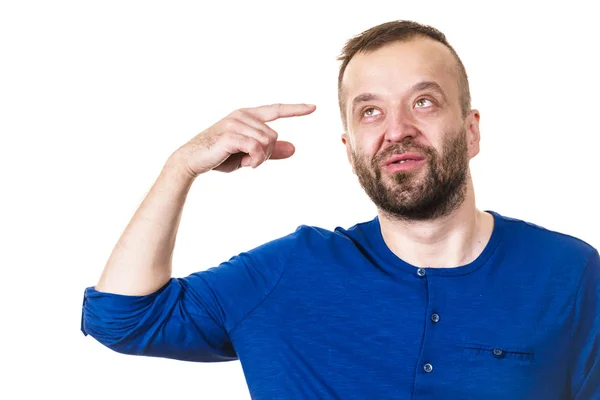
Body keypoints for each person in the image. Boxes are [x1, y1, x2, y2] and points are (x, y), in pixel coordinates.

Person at [81, 20, 599, 399]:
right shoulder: (288, 272)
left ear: (471, 131)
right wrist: (181, 168)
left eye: (424, 101)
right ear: (350, 148)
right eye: (371, 111)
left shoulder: (568, 274)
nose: (397, 129)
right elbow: (121, 318)